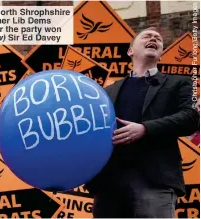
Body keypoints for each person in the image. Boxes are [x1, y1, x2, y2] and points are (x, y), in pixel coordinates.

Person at [85, 27, 200, 218]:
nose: (154, 38)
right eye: (147, 36)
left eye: (158, 39)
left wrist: (145, 128)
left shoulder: (178, 83)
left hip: (154, 181)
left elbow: (191, 118)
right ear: (130, 51)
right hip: (109, 183)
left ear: (161, 54)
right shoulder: (106, 91)